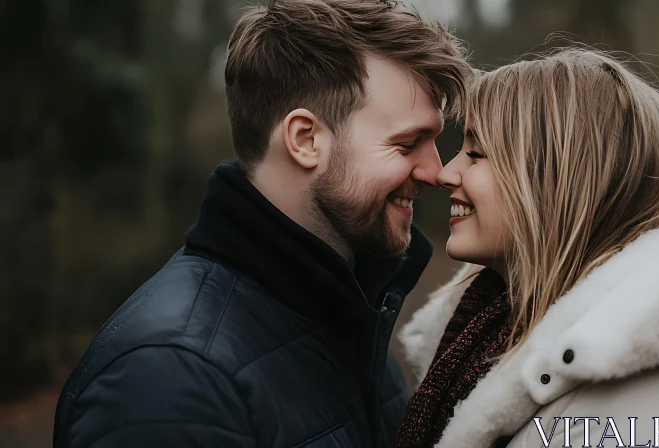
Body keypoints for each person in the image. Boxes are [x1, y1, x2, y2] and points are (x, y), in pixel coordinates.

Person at [53, 1, 470, 447]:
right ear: (305, 140)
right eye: (408, 144)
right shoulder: (169, 380)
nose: (438, 171)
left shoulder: (352, 325)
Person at [395, 49, 659, 448]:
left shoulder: (657, 405)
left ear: (557, 183)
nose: (445, 173)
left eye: (475, 154)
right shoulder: (478, 339)